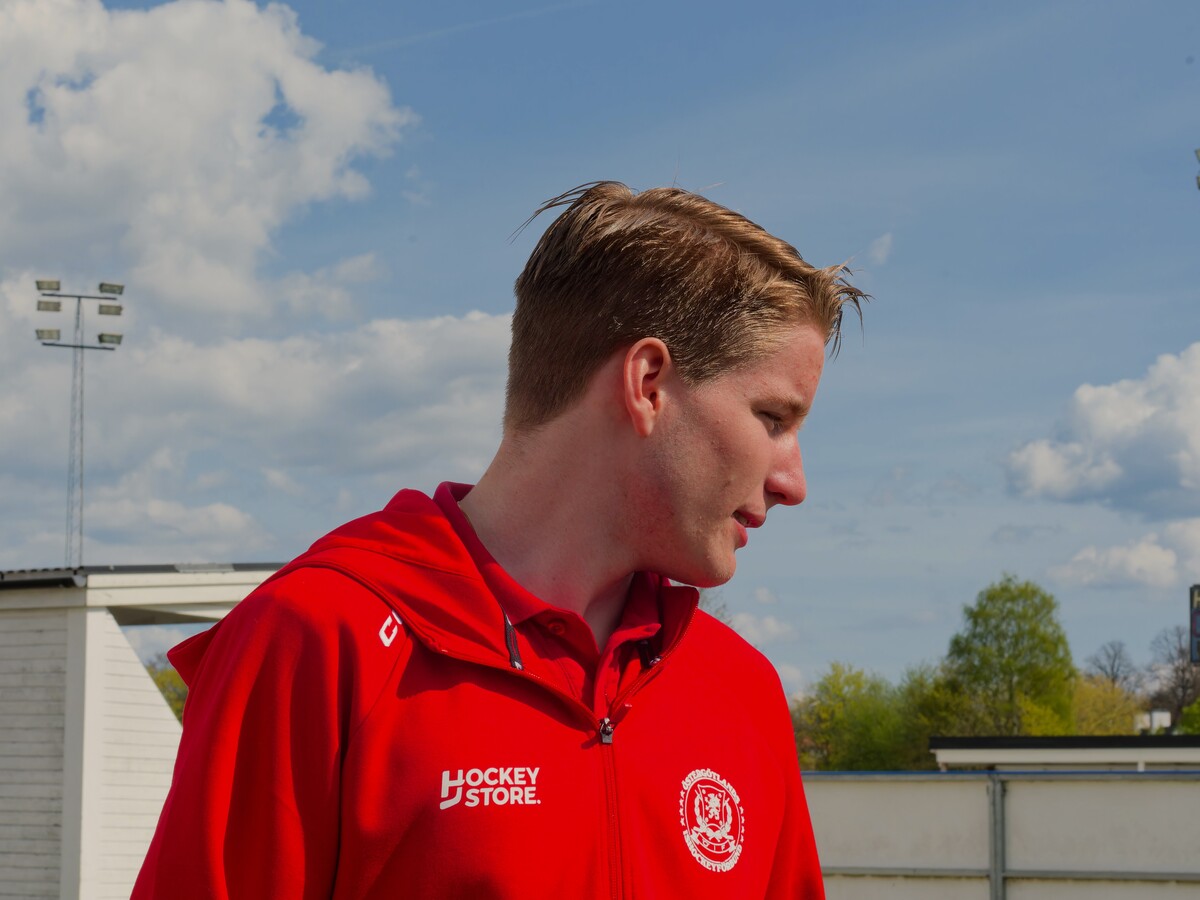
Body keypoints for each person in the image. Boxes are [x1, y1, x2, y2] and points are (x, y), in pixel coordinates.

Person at [133, 181, 866, 899]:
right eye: (773, 419)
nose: (793, 482)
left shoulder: (741, 692)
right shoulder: (320, 640)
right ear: (648, 385)